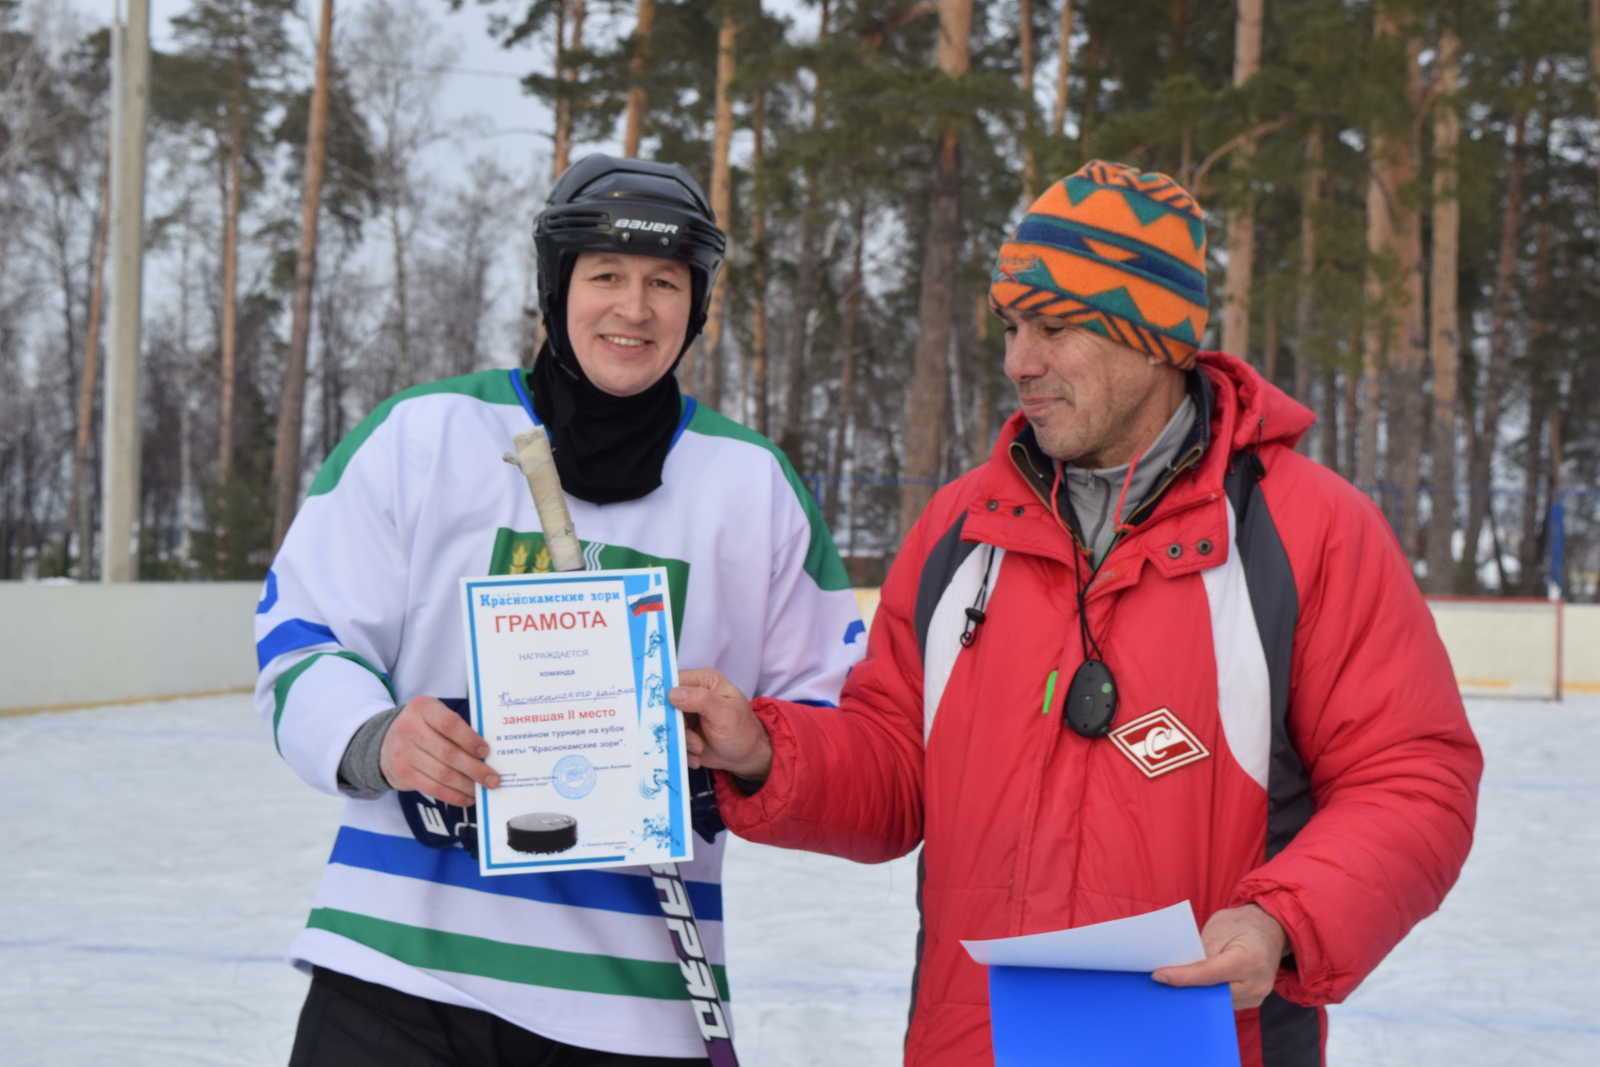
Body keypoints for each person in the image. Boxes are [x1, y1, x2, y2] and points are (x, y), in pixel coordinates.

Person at [670, 160, 1483, 1067]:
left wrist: (1280, 918)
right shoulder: (961, 528)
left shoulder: (1309, 530)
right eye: (1015, 327)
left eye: (1053, 328)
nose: (1019, 361)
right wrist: (767, 748)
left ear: (1153, 336)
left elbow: (1414, 779)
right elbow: (896, 765)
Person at [255, 154, 865, 1067]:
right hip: (395, 971)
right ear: (556, 287)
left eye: (665, 282)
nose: (634, 307)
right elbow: (299, 636)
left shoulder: (753, 485)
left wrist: (754, 746)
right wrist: (375, 736)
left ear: (694, 308)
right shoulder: (423, 436)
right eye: (606, 275)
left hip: (636, 1003)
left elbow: (841, 726)